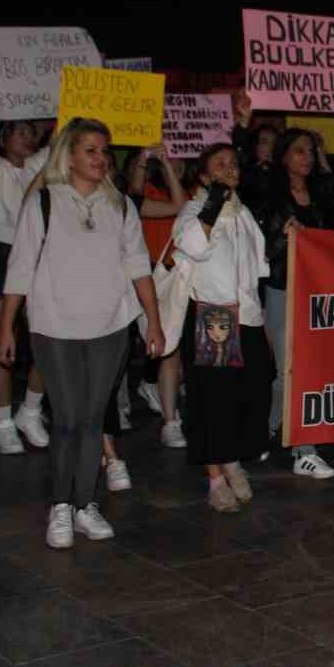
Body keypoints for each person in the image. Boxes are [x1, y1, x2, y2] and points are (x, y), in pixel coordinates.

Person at [0, 118, 164, 549]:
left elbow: (139, 266)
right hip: (55, 327)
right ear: (68, 156)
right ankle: (60, 505)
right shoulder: (44, 203)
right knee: (68, 419)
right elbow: (20, 266)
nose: (100, 158)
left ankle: (84, 503)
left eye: (104, 151)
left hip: (109, 326)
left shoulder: (121, 206)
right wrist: (6, 328)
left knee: (93, 420)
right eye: (89, 150)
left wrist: (154, 322)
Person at [253, 101, 334, 476]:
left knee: (303, 368)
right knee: (284, 369)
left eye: (311, 151)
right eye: (300, 151)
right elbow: (265, 247)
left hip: (316, 293)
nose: (308, 158)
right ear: (283, 157)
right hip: (280, 290)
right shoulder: (268, 194)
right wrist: (283, 236)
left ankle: (294, 443)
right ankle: (280, 436)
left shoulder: (321, 190)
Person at [172, 143, 273, 511]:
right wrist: (214, 200)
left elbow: (256, 271)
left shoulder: (243, 213)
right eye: (220, 164)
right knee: (212, 400)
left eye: (233, 162)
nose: (230, 168)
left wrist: (260, 323)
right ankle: (215, 477)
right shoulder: (195, 209)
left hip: (245, 315)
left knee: (248, 393)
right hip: (214, 315)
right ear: (203, 175)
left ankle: (232, 458)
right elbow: (192, 246)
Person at [0, 78, 51, 455]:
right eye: (18, 131)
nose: (27, 137)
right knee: (3, 346)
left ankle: (31, 410)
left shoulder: (39, 165)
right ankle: (3, 422)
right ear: (4, 138)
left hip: (36, 258)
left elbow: (62, 141)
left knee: (46, 342)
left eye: (30, 132)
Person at [125, 146, 190, 448]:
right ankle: (163, 417)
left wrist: (169, 168)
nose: (175, 162)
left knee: (172, 347)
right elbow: (135, 194)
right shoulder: (144, 192)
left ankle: (169, 415)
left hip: (178, 276)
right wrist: (150, 159)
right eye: (169, 156)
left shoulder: (191, 193)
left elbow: (183, 204)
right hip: (148, 275)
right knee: (154, 346)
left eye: (179, 157)